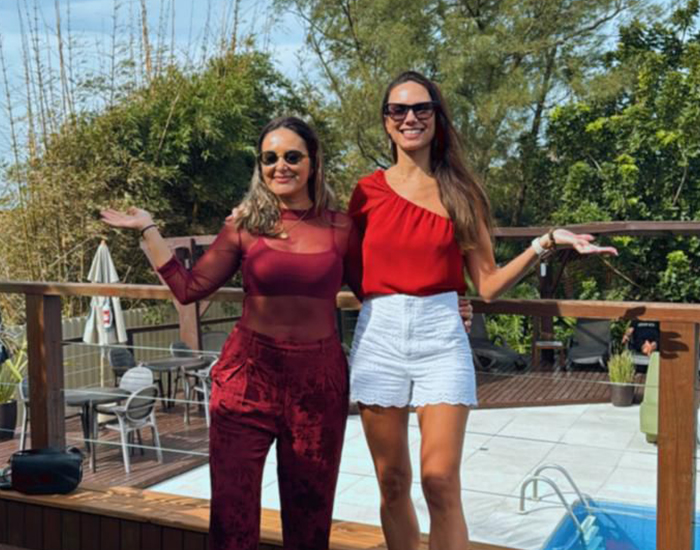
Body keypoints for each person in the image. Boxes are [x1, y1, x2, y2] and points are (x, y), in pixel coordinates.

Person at [347, 71, 618, 550]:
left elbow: (488, 284)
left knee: (439, 480)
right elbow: (349, 270)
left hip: (441, 338)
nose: (410, 118)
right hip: (380, 336)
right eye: (398, 110)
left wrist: (545, 242)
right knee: (391, 480)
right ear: (385, 121)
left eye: (421, 108)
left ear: (437, 116)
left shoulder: (460, 193)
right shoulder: (365, 193)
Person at [101, 116, 363, 550]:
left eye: (292, 156)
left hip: (318, 384)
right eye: (269, 158)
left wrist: (448, 301)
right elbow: (189, 289)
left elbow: (376, 290)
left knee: (310, 520)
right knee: (232, 521)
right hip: (247, 380)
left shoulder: (342, 228)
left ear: (314, 162)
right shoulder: (245, 225)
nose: (280, 166)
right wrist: (148, 228)